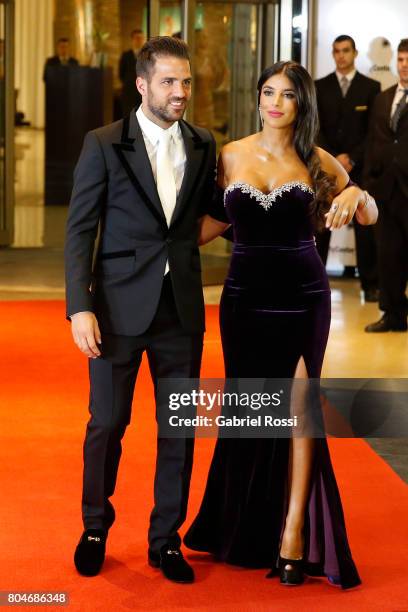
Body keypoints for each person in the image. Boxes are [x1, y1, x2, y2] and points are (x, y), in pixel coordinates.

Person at [184, 61, 377, 589]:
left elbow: (369, 214)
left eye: (286, 95)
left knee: (297, 406)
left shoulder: (316, 160)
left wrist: (356, 194)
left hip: (303, 297)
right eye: (267, 91)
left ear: (301, 104)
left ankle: (293, 532)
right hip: (243, 300)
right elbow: (209, 225)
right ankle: (245, 525)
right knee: (251, 410)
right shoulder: (229, 155)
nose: (274, 103)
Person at [64, 36, 216, 583]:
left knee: (177, 429)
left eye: (187, 82)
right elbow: (81, 229)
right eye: (170, 82)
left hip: (181, 313)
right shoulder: (104, 143)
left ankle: (165, 539)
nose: (181, 92)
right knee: (107, 423)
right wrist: (80, 307)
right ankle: (94, 527)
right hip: (114, 310)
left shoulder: (203, 143)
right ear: (142, 84)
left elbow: (206, 220)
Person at [315, 35, 380, 302]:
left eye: (345, 51)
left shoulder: (370, 86)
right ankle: (316, 280)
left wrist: (352, 158)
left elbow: (374, 131)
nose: (341, 56)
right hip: (326, 170)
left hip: (360, 167)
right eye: (336, 51)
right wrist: (332, 160)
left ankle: (371, 284)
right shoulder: (320, 86)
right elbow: (314, 128)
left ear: (355, 53)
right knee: (321, 224)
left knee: (365, 230)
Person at [364, 39, 408, 332]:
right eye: (402, 60)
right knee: (388, 255)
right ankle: (392, 315)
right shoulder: (383, 98)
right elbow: (374, 143)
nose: (404, 65)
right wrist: (369, 183)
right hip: (385, 190)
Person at [119, 29, 146, 116]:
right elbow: (121, 74)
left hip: (142, 93)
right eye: (136, 38)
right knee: (128, 116)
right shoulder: (125, 55)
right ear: (132, 40)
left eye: (141, 38)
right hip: (128, 92)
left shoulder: (147, 56)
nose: (139, 40)